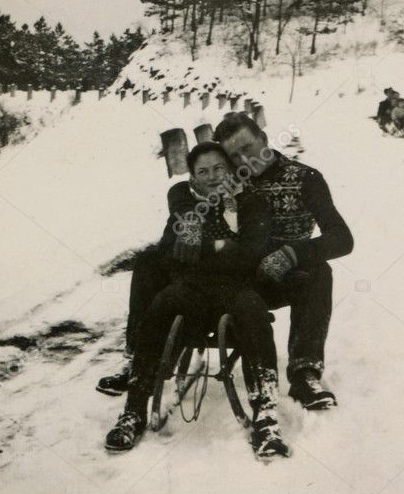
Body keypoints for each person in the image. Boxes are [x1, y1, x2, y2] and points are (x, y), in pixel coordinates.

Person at [104, 142, 290, 460]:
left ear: (231, 169)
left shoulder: (252, 203)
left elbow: (253, 253)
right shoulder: (189, 208)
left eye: (219, 168)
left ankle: (266, 419)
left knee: (253, 311)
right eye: (203, 172)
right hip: (193, 287)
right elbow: (168, 251)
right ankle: (133, 412)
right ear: (193, 178)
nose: (213, 177)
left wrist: (203, 247)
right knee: (161, 305)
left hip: (238, 288)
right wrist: (221, 246)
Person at [213, 113, 354, 410]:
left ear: (264, 140)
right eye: (234, 155)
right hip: (240, 281)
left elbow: (342, 238)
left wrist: (293, 254)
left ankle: (304, 373)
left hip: (286, 278)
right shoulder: (227, 183)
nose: (244, 159)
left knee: (319, 272)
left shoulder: (305, 178)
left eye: (248, 147)